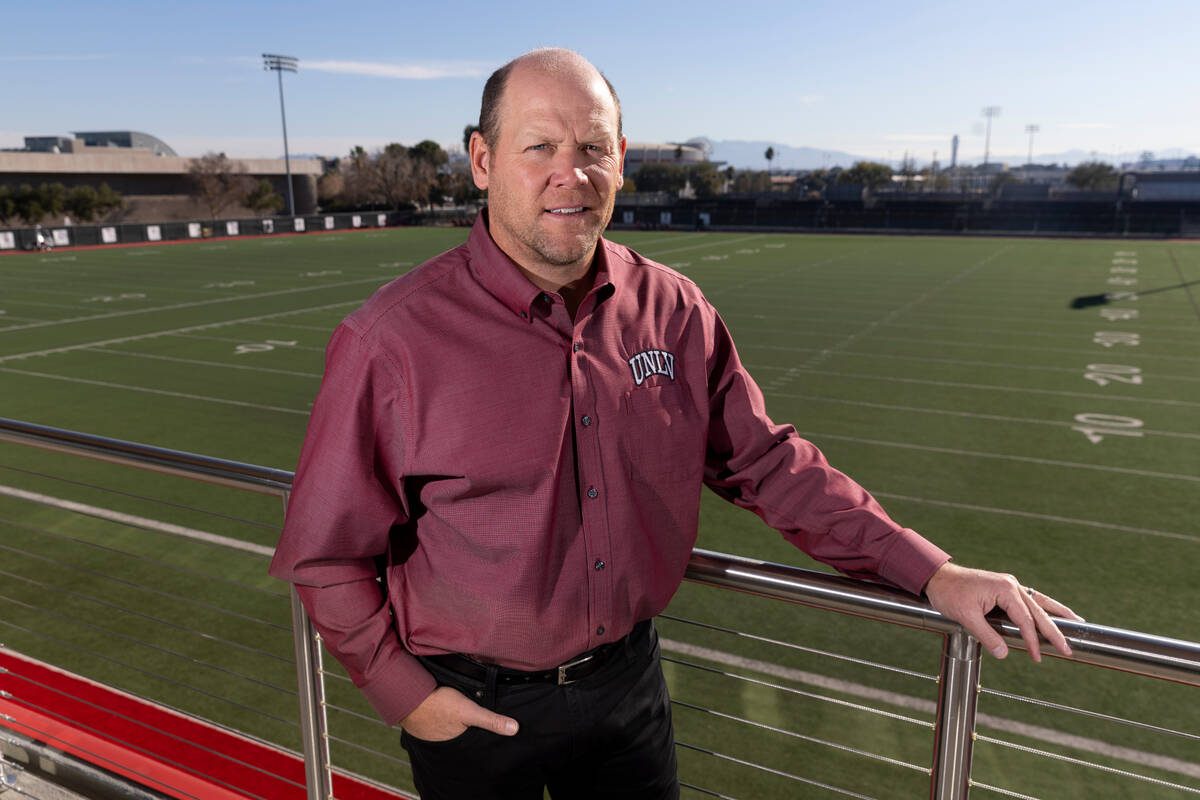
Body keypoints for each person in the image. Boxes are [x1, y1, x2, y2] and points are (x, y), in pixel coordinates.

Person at [269, 48, 1081, 800]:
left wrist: (930, 573)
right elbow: (324, 551)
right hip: (472, 711)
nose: (571, 174)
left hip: (629, 691)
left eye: (593, 147)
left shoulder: (674, 309)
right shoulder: (394, 340)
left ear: (622, 158)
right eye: (539, 148)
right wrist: (407, 696)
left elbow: (765, 462)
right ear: (483, 161)